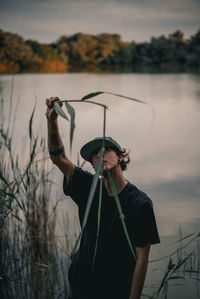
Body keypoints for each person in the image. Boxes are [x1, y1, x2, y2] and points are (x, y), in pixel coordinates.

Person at [46, 97, 160, 299]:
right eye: (94, 155)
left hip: (115, 292)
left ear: (120, 157)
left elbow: (142, 261)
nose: (99, 156)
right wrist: (52, 120)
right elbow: (58, 158)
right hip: (80, 289)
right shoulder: (88, 188)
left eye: (105, 150)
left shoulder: (139, 203)